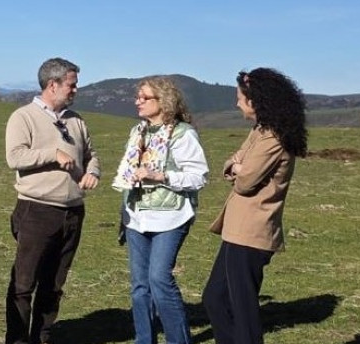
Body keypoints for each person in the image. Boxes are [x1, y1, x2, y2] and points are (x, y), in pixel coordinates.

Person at [201, 68, 308, 344]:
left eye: (240, 98)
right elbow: (232, 164)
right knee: (215, 298)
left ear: (256, 100)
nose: (237, 103)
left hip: (252, 233)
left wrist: (238, 167)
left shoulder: (273, 138)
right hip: (236, 231)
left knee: (243, 310)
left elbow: (245, 181)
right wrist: (236, 166)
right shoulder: (259, 131)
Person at [4, 57, 101, 344]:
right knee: (24, 283)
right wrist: (53, 153)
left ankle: (42, 337)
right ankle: (18, 339)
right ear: (52, 84)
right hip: (37, 210)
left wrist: (92, 171)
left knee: (54, 283)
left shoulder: (76, 120)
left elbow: (91, 154)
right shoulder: (23, 117)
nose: (75, 90)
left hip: (72, 213)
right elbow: (15, 157)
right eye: (71, 84)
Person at [112, 77, 209, 344]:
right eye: (138, 97)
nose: (137, 102)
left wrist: (163, 176)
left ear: (163, 101)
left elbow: (199, 177)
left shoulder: (182, 134)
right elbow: (127, 175)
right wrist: (124, 211)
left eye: (145, 98)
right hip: (136, 216)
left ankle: (178, 340)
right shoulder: (138, 132)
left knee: (159, 279)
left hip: (171, 216)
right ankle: (145, 339)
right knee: (139, 287)